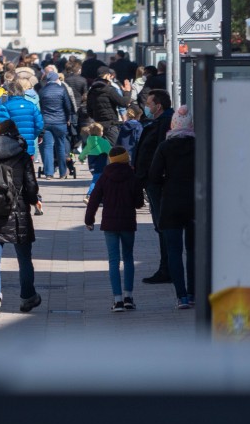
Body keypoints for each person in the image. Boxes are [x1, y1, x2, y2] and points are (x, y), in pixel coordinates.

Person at [0, 119, 43, 314]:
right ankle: (27, 297)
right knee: (24, 258)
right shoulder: (22, 156)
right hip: (18, 211)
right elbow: (31, 186)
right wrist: (33, 200)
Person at [84, 146, 144, 313]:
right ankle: (128, 298)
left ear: (110, 159)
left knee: (113, 261)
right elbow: (139, 202)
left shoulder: (104, 177)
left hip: (110, 224)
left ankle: (117, 300)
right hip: (127, 223)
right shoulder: (132, 176)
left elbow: (94, 199)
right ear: (126, 159)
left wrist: (89, 220)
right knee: (128, 258)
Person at [148, 107, 197, 309]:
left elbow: (153, 178)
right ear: (191, 125)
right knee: (193, 250)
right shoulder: (199, 146)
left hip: (171, 204)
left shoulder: (165, 147)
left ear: (173, 125)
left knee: (174, 252)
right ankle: (194, 292)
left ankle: (181, 296)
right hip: (195, 203)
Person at [135, 89, 174, 285]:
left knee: (163, 227)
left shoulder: (164, 123)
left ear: (158, 106)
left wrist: (151, 177)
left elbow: (159, 152)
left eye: (149, 104)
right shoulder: (159, 122)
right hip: (154, 183)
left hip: (159, 184)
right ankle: (166, 267)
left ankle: (167, 269)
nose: (146, 107)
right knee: (161, 227)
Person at [0, 77, 44, 161]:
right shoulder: (31, 105)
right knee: (28, 171)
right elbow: (39, 125)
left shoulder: (5, 106)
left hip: (11, 146)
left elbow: (3, 126)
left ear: (9, 93)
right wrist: (32, 136)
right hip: (28, 145)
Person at [37, 70, 74, 180]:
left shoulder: (42, 91)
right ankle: (63, 172)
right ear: (56, 79)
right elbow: (68, 106)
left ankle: (49, 173)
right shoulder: (62, 90)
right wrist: (68, 118)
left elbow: (40, 107)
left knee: (47, 147)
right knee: (61, 146)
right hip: (60, 122)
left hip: (46, 122)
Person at [86, 67, 132, 145]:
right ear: (107, 76)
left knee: (101, 150)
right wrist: (127, 92)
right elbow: (124, 102)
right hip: (111, 125)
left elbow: (89, 111)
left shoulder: (91, 91)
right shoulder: (109, 90)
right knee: (115, 150)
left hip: (98, 126)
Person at [81, 122, 112, 198]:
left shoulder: (89, 141)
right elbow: (111, 151)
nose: (102, 132)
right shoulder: (103, 142)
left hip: (92, 165)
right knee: (96, 181)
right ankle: (90, 195)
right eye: (102, 131)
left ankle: (101, 196)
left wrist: (81, 157)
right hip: (101, 165)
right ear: (99, 133)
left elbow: (85, 150)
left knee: (99, 180)